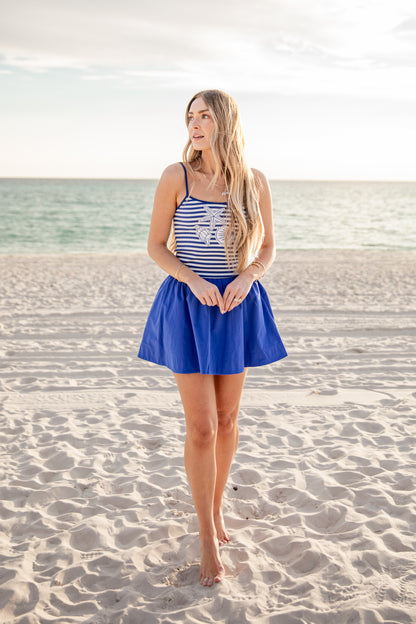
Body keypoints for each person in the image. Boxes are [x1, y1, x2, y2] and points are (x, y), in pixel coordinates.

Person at [138, 89, 287, 587]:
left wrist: (248, 277)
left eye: (204, 115)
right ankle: (205, 534)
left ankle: (217, 509)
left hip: (236, 306)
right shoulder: (175, 176)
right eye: (190, 116)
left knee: (226, 421)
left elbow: (266, 247)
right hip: (189, 304)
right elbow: (157, 247)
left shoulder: (254, 181)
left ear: (225, 121)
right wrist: (195, 280)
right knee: (200, 427)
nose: (194, 124)